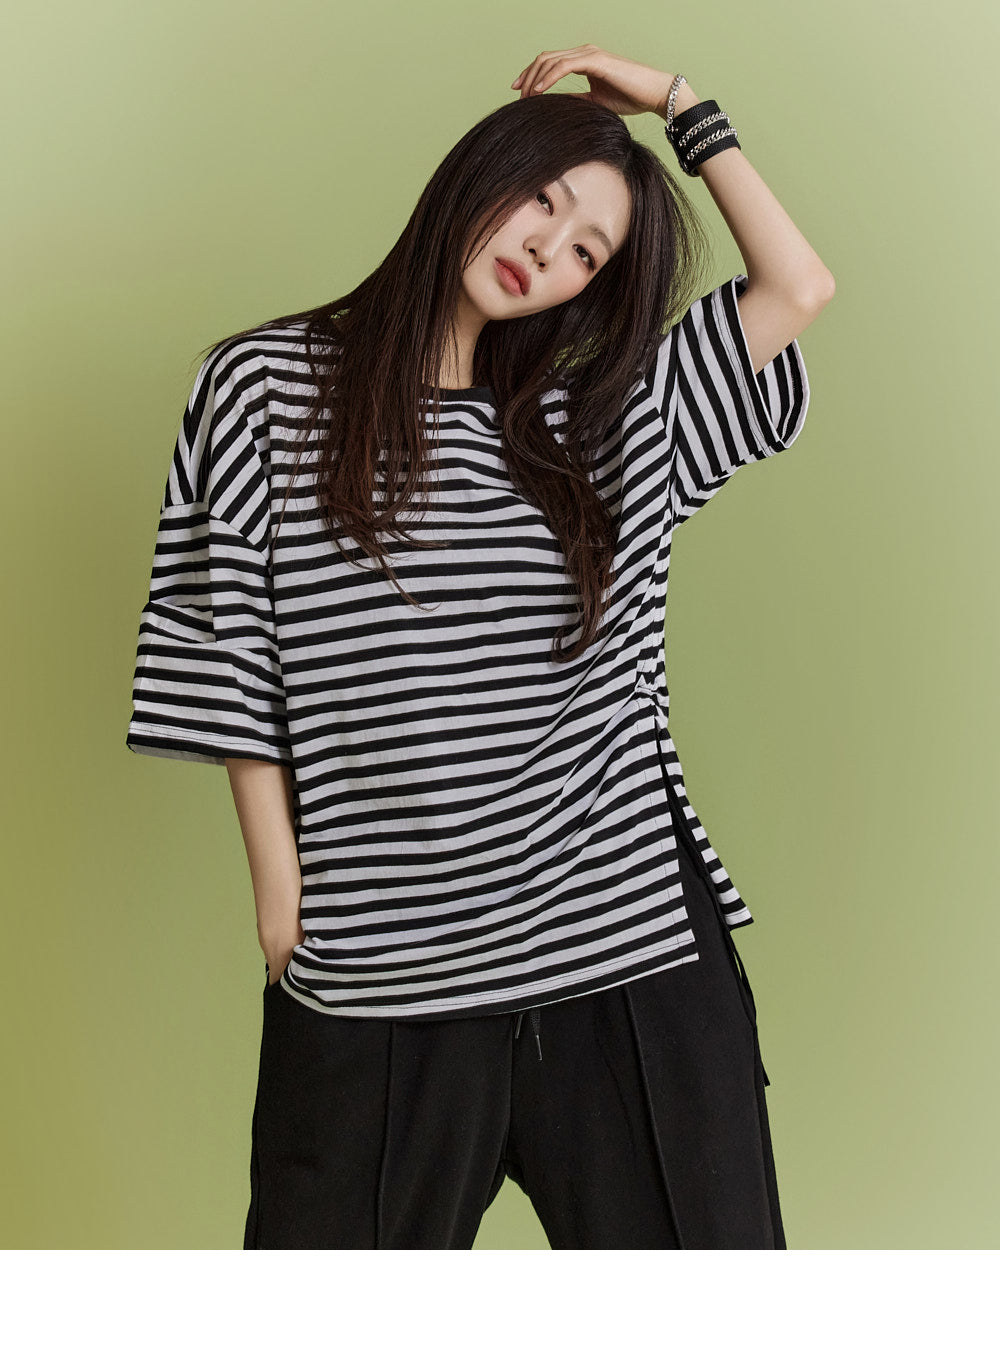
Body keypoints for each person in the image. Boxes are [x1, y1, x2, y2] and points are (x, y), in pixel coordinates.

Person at [125, 44, 834, 1249]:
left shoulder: (604, 422)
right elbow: (228, 650)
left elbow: (797, 286)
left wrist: (679, 106)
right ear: (480, 171)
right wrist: (283, 908)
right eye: (541, 201)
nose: (546, 251)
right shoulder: (264, 388)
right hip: (381, 966)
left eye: (586, 253)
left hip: (624, 951)